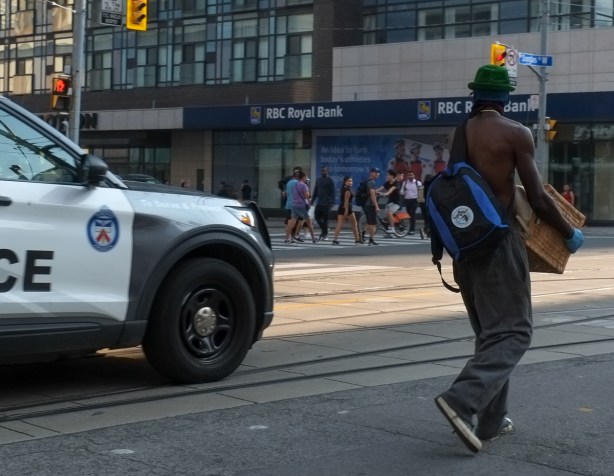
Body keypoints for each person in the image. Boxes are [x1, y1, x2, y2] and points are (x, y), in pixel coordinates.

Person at [433, 64, 585, 454]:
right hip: (499, 243)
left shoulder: (461, 132)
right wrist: (568, 234)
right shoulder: (516, 133)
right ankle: (460, 400)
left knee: (491, 335)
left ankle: (491, 421)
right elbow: (536, 197)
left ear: (475, 96)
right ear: (505, 98)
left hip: (465, 250)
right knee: (515, 332)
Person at [284, 170, 317, 243]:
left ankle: (287, 238)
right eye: (305, 178)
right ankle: (313, 238)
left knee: (292, 222)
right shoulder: (303, 185)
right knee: (308, 222)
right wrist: (309, 201)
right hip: (302, 205)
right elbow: (306, 196)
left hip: (293, 204)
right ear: (303, 177)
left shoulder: (293, 184)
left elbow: (288, 193)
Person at [331, 176, 362, 245]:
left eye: (351, 181)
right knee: (354, 224)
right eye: (349, 181)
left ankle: (335, 239)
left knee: (339, 224)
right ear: (345, 182)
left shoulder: (343, 188)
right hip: (347, 208)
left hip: (340, 207)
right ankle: (357, 240)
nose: (351, 182)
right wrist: (346, 211)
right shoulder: (347, 190)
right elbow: (346, 201)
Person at [311, 166, 336, 241]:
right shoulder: (318, 180)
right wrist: (312, 200)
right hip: (319, 202)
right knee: (317, 217)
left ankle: (325, 234)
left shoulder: (330, 180)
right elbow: (316, 191)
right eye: (322, 171)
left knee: (325, 219)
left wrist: (331, 202)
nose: (323, 172)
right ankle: (325, 230)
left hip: (327, 203)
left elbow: (333, 192)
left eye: (324, 171)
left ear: (327, 172)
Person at [376, 169, 401, 237]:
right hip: (390, 202)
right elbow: (381, 188)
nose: (387, 176)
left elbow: (391, 189)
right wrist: (373, 192)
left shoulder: (396, 183)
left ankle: (393, 229)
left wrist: (386, 194)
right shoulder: (387, 183)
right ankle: (390, 234)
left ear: (392, 176)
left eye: (388, 175)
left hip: (396, 203)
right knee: (386, 218)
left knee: (389, 213)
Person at [361, 167, 381, 246]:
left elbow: (372, 193)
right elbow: (372, 195)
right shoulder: (371, 182)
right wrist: (376, 206)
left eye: (378, 172)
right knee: (372, 223)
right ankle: (371, 239)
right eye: (375, 172)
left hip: (368, 204)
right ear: (371, 173)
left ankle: (363, 235)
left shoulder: (370, 182)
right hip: (369, 205)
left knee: (370, 222)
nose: (377, 174)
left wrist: (378, 193)